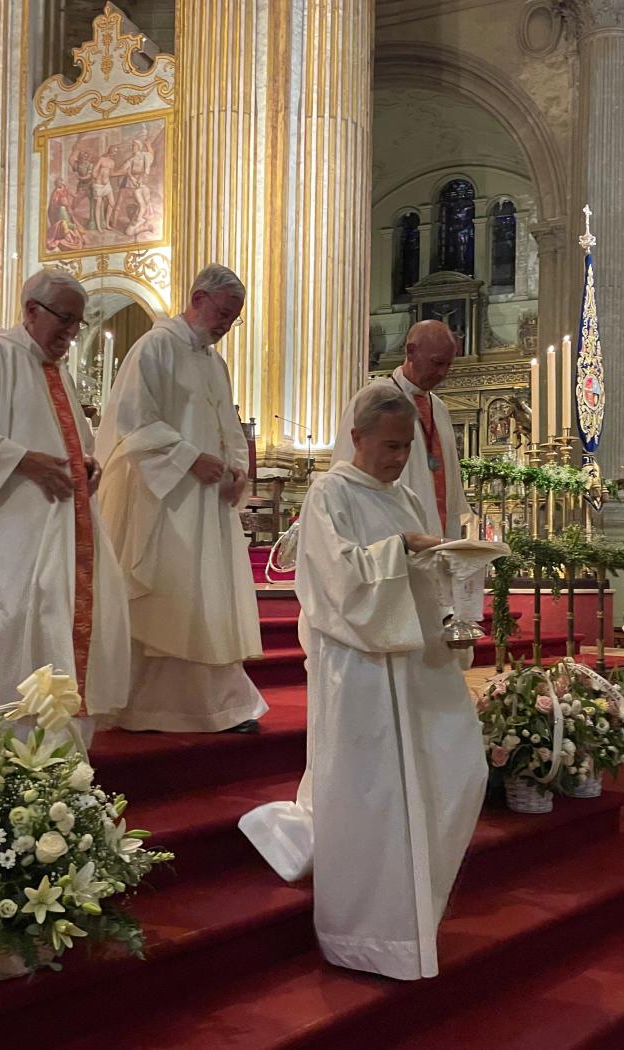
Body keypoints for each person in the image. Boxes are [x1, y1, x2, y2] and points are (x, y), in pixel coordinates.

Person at [237, 383, 485, 980]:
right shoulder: (329, 495)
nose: (398, 460)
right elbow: (336, 581)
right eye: (390, 447)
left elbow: (420, 571)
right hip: (360, 669)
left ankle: (414, 909)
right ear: (358, 438)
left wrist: (450, 582)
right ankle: (368, 931)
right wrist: (401, 550)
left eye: (406, 449)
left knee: (459, 768)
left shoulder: (401, 498)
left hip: (413, 660)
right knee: (372, 796)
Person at [0, 269, 132, 745]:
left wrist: (87, 463)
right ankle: (18, 742)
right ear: (32, 309)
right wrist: (21, 460)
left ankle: (62, 744)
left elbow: (67, 434)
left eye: (79, 324)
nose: (73, 334)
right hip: (15, 527)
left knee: (61, 619)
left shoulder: (54, 371)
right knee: (19, 621)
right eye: (67, 320)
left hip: (66, 526)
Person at [94, 263, 267, 733]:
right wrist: (190, 457)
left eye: (234, 318)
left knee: (206, 597)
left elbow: (228, 424)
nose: (227, 325)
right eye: (224, 314)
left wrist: (237, 470)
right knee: (167, 598)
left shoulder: (215, 362)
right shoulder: (156, 346)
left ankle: (217, 704)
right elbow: (135, 420)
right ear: (197, 298)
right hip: (162, 498)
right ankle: (148, 706)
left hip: (206, 501)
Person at [332, 319, 472, 540]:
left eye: (448, 365)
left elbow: (450, 488)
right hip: (386, 536)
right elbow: (349, 473)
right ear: (411, 351)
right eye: (436, 363)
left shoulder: (440, 409)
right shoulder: (374, 399)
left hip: (438, 533)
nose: (442, 373)